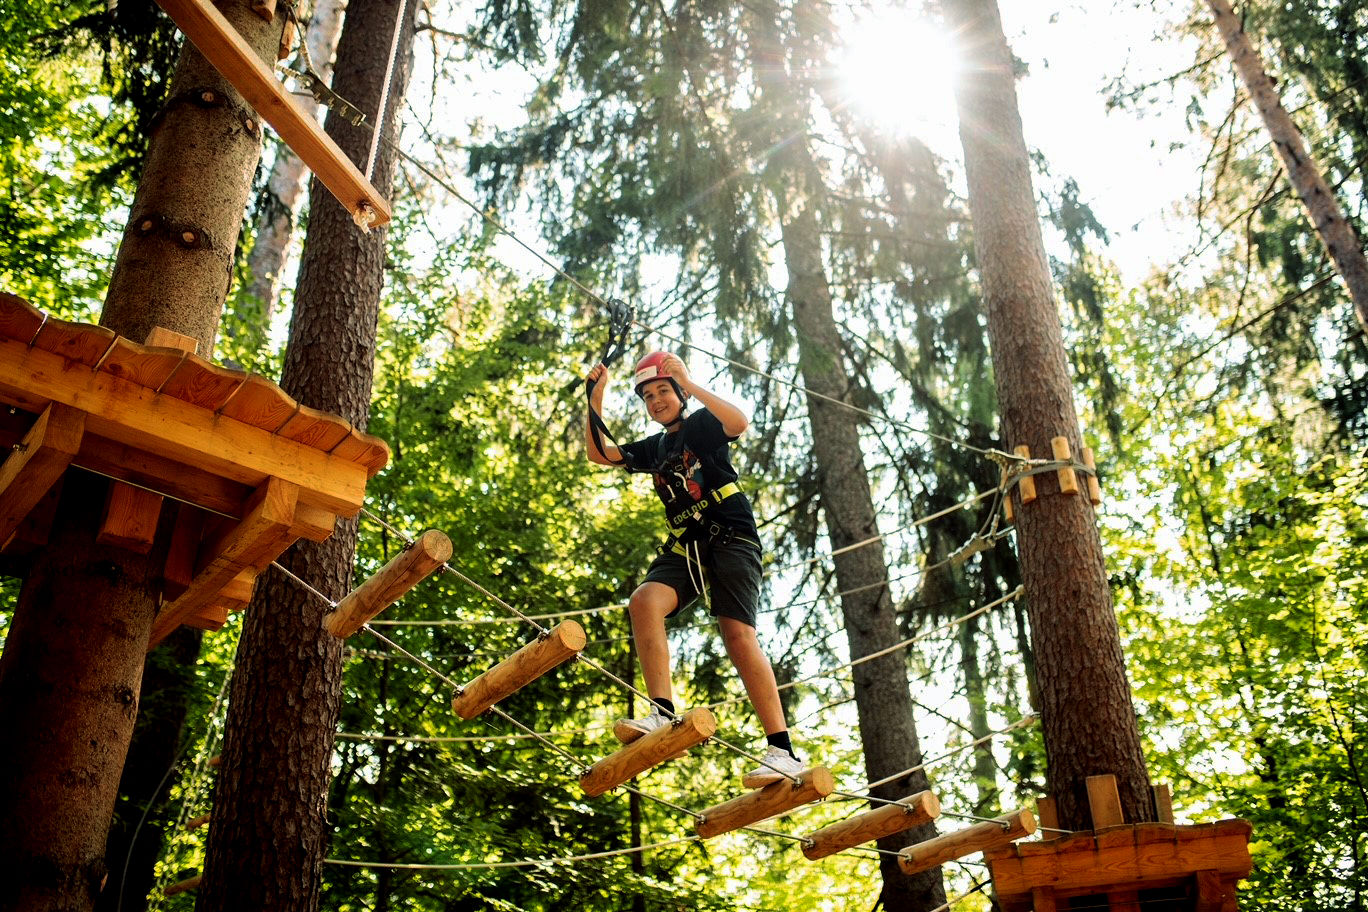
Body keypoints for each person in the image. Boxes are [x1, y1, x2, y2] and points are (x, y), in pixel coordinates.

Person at [584, 350, 804, 788]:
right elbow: (599, 455)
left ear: (680, 393)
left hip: (730, 534)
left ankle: (783, 750)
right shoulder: (656, 447)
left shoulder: (702, 425)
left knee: (737, 635)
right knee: (644, 601)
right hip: (688, 543)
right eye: (648, 396)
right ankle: (662, 712)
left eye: (663, 391)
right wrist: (595, 397)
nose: (655, 401)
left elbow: (738, 423)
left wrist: (691, 382)